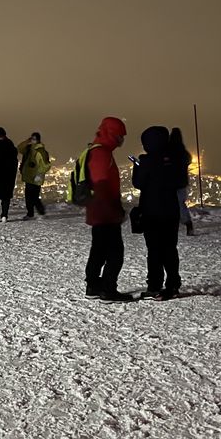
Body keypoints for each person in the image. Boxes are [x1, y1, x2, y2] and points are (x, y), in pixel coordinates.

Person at [133, 126, 188, 301]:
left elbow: (138, 183)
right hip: (171, 210)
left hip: (151, 211)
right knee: (170, 249)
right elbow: (181, 182)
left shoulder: (146, 161)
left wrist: (137, 166)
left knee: (155, 249)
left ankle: (155, 285)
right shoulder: (175, 159)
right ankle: (173, 285)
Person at [83, 117, 133, 303]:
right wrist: (115, 210)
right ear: (112, 134)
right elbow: (102, 184)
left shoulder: (96, 150)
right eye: (120, 135)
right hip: (105, 211)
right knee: (115, 252)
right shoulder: (102, 154)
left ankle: (93, 287)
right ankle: (108, 290)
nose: (122, 139)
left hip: (98, 210)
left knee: (98, 250)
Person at [17, 132, 51, 219]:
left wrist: (40, 174)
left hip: (36, 177)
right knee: (28, 196)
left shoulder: (41, 151)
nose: (33, 140)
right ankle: (30, 213)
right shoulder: (28, 149)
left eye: (34, 139)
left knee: (34, 196)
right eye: (32, 139)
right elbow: (19, 148)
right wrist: (26, 141)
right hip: (28, 175)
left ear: (38, 140)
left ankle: (41, 212)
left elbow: (46, 165)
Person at [168, 127, 194, 236]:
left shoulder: (168, 151)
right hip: (181, 183)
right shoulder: (183, 152)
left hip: (170, 183)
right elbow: (188, 160)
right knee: (180, 204)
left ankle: (171, 224)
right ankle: (188, 224)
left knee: (169, 204)